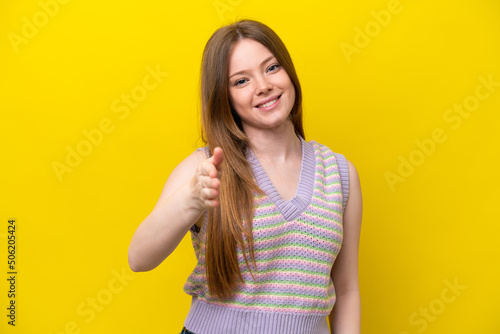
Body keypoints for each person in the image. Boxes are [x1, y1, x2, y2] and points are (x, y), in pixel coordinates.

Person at [128, 19, 362, 334]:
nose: (262, 86)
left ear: (289, 72)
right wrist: (190, 199)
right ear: (225, 97)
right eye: (241, 81)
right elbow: (139, 258)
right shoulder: (207, 166)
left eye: (272, 68)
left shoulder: (339, 174)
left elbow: (346, 289)